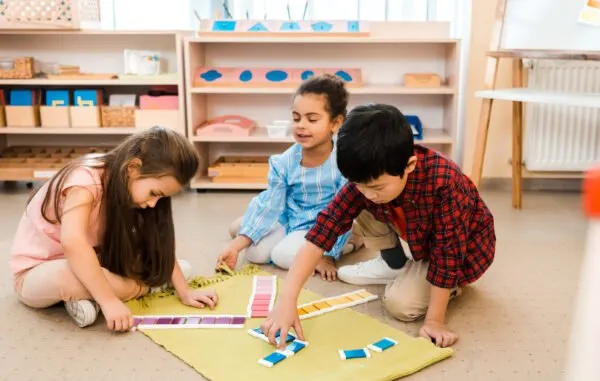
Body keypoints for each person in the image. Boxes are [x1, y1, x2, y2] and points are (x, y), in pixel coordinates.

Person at [261, 104, 496, 348]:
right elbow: (322, 232)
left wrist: (435, 320)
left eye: (376, 187)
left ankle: (452, 286)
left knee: (400, 305)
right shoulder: (368, 182)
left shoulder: (445, 183)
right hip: (415, 233)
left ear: (410, 166)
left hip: (462, 252)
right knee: (355, 203)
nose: (368, 194)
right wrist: (286, 302)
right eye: (359, 185)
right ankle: (393, 264)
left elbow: (448, 253)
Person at [10, 127, 218, 331]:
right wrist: (109, 301)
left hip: (93, 261)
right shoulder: (85, 184)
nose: (154, 203)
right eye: (154, 193)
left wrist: (184, 291)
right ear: (132, 168)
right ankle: (148, 287)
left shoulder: (128, 184)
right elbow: (73, 243)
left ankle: (90, 296)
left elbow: (156, 241)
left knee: (145, 258)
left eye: (161, 197)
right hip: (35, 273)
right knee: (64, 275)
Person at [218, 74, 362, 280]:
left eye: (312, 119)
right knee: (255, 253)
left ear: (336, 123)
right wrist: (236, 245)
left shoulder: (343, 162)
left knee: (282, 256)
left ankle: (351, 242)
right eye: (296, 118)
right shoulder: (283, 162)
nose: (301, 125)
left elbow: (341, 212)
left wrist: (328, 256)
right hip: (288, 218)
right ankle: (249, 229)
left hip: (321, 226)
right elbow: (270, 205)